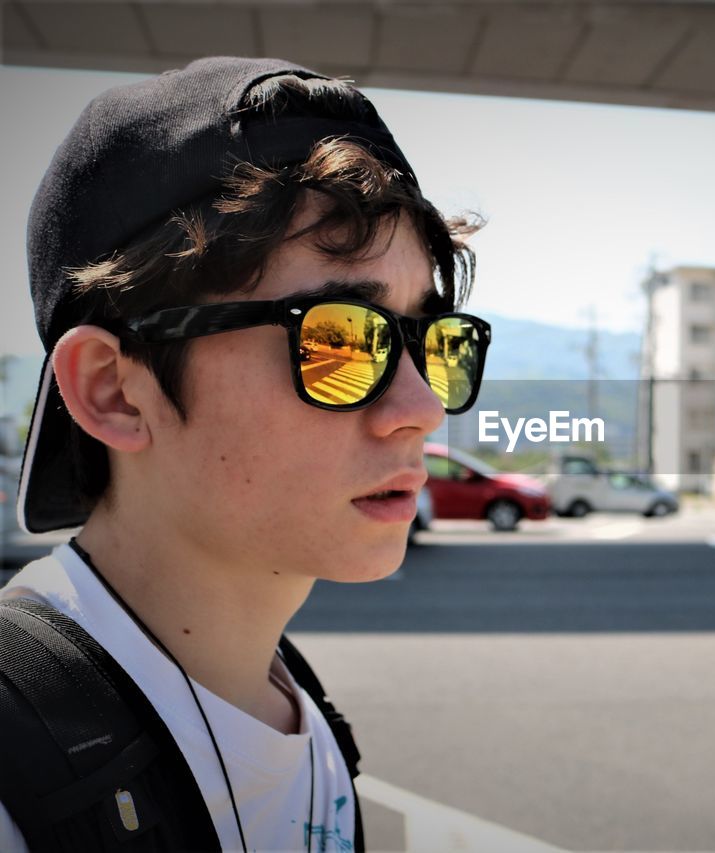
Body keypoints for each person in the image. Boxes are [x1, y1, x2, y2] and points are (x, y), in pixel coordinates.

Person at [0, 56, 490, 851]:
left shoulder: (293, 704)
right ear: (114, 391)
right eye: (337, 339)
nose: (424, 409)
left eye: (433, 342)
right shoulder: (19, 773)